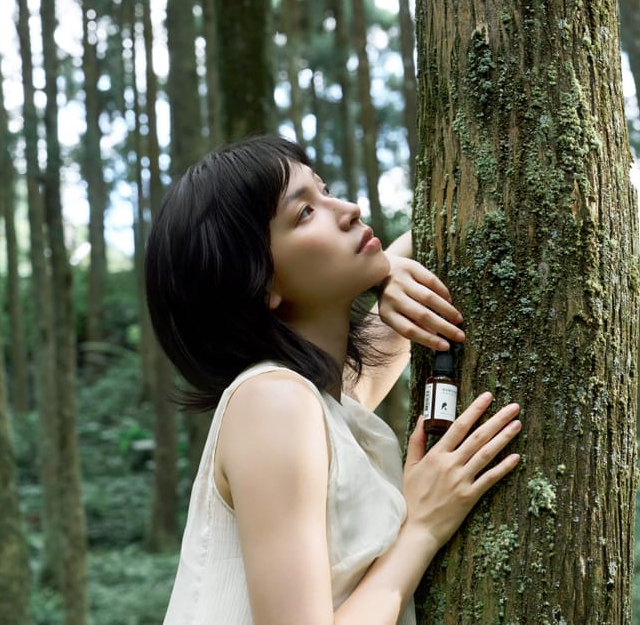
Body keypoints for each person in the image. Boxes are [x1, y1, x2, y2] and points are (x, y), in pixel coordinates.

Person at [146, 135, 522, 624]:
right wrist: (422, 527)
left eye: (324, 190)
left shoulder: (322, 407)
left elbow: (413, 269)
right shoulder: (272, 401)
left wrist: (389, 274)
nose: (347, 208)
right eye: (304, 212)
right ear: (260, 282)